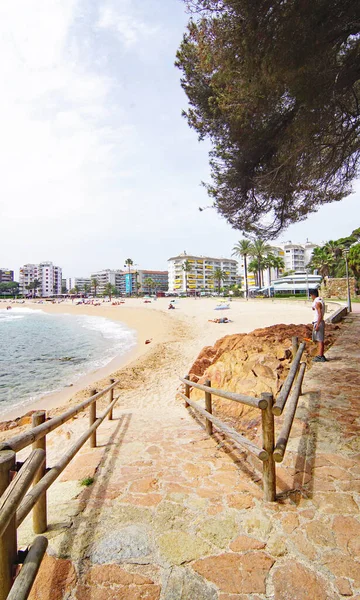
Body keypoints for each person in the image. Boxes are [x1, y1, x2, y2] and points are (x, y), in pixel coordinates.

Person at [309, 289, 327, 362]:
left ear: (313, 295)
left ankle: (320, 356)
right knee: (320, 339)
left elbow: (319, 314)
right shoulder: (320, 300)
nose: (311, 297)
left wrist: (317, 325)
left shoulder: (317, 303)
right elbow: (314, 309)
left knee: (320, 340)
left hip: (318, 322)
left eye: (311, 296)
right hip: (319, 322)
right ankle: (321, 355)